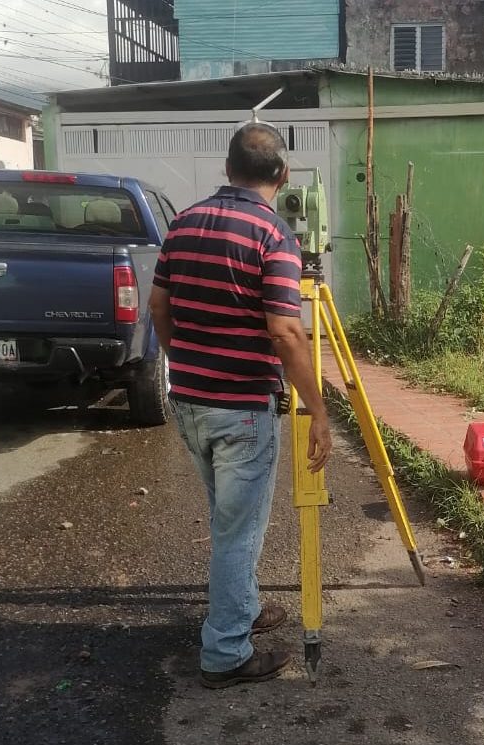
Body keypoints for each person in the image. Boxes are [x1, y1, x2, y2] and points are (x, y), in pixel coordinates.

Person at [148, 122, 332, 689]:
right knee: (238, 530)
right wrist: (319, 411)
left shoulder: (182, 223)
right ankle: (225, 653)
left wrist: (190, 359)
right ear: (283, 174)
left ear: (228, 170)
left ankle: (243, 610)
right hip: (241, 410)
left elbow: (159, 308)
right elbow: (284, 331)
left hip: (190, 403)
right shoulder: (273, 235)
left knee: (229, 519)